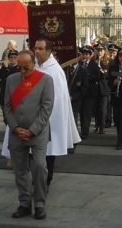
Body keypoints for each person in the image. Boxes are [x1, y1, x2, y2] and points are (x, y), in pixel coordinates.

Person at [19, 38, 81, 185]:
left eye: (40, 49)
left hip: (47, 121)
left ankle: (46, 180)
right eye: (35, 48)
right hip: (30, 119)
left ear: (49, 51)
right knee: (31, 153)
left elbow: (58, 99)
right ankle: (35, 178)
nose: (37, 51)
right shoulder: (34, 67)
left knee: (48, 152)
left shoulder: (55, 71)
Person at [3, 51, 55, 220]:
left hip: (38, 133)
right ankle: (24, 202)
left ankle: (40, 203)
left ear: (34, 64)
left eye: (27, 67)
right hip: (16, 132)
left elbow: (46, 109)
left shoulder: (46, 80)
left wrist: (32, 130)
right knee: (20, 170)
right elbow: (7, 107)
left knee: (39, 167)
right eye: (20, 67)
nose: (23, 71)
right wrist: (15, 127)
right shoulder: (11, 80)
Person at [74, 47, 101, 139]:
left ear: (90, 55)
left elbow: (97, 76)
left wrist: (87, 76)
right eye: (83, 54)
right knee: (80, 112)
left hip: (90, 92)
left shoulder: (94, 65)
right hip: (80, 92)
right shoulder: (80, 64)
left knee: (87, 113)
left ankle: (85, 132)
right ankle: (80, 130)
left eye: (86, 54)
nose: (85, 56)